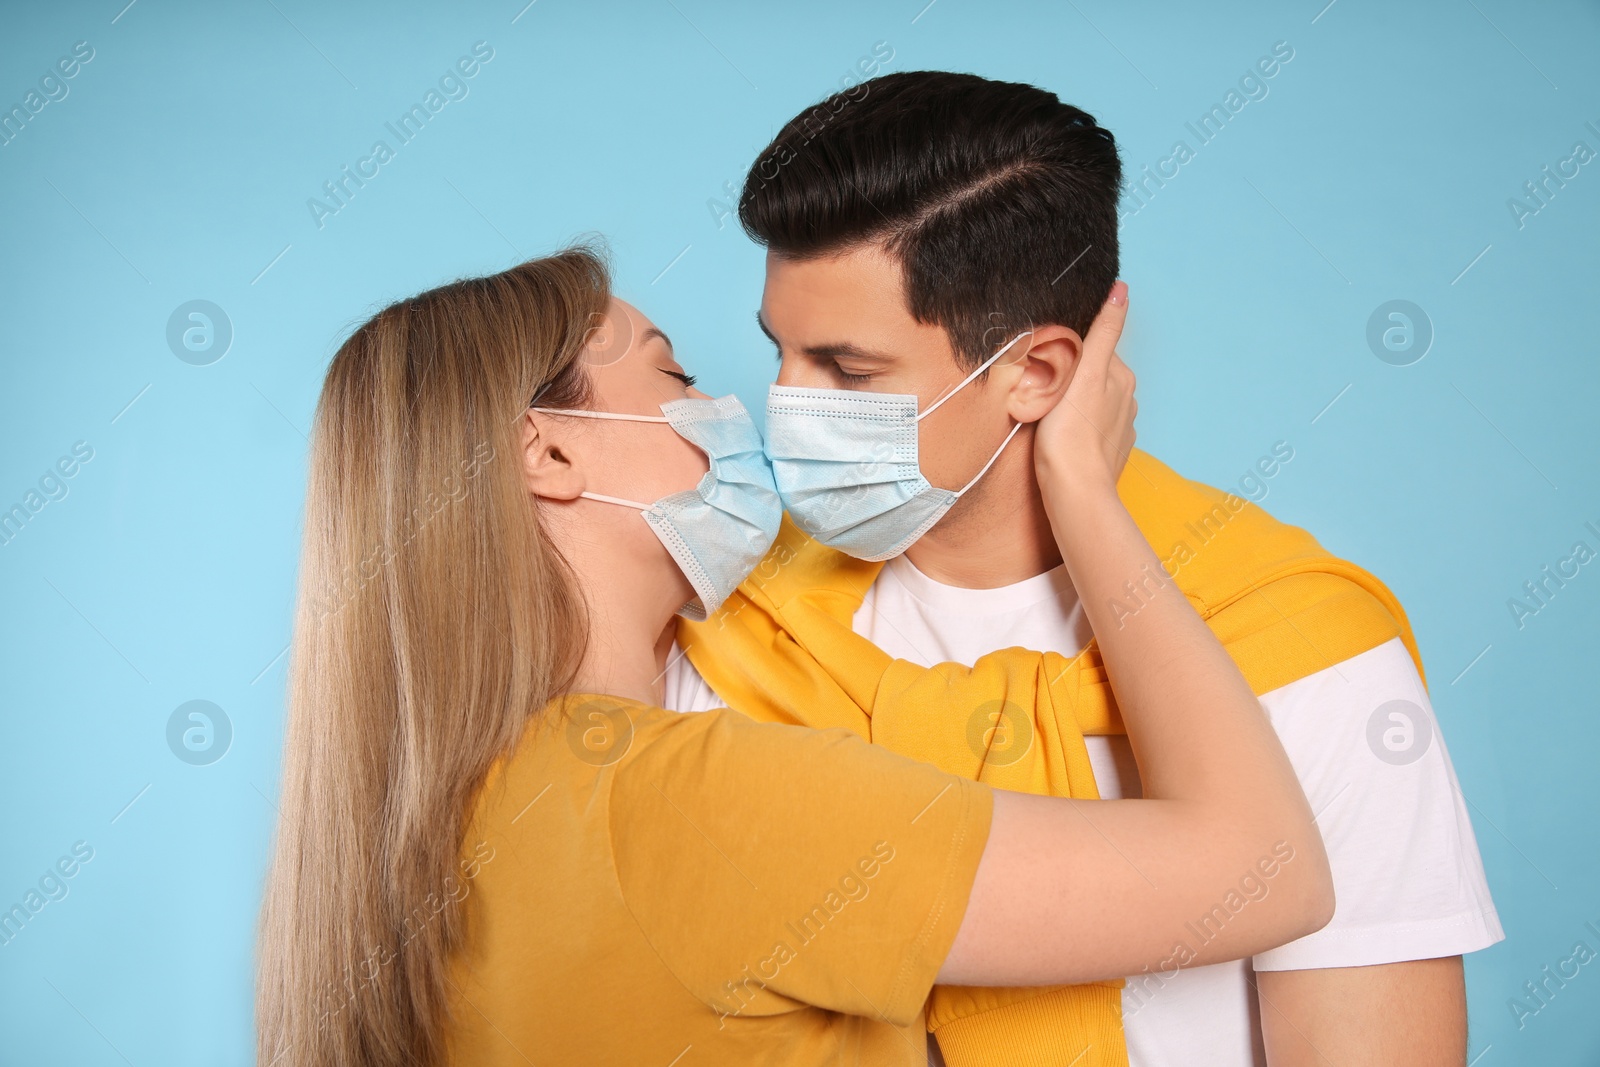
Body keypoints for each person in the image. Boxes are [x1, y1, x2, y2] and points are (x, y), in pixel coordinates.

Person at [255, 247, 1335, 1067]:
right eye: (671, 372)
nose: (738, 409)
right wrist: (1088, 496)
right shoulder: (690, 799)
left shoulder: (446, 816)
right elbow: (1265, 865)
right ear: (547, 452)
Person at [665, 71, 1502, 1066]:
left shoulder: (1297, 646)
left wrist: (1085, 500)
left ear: (1037, 373)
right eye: (780, 355)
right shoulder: (734, 627)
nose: (784, 404)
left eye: (846, 372)